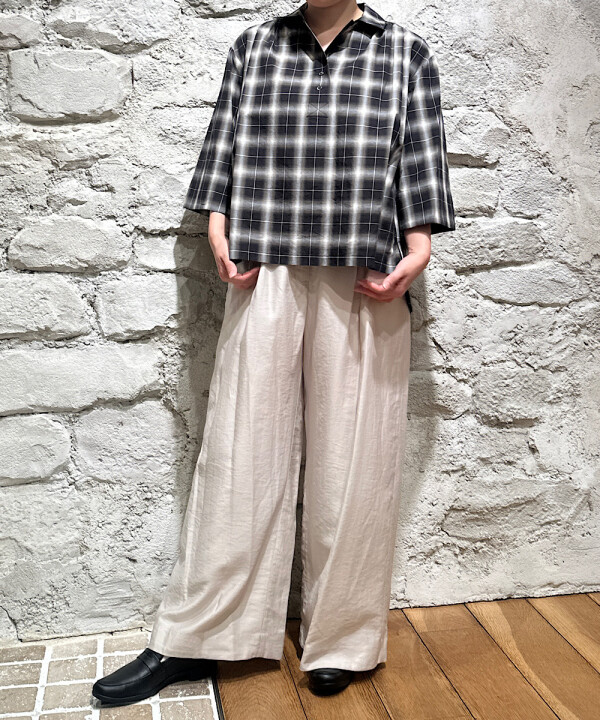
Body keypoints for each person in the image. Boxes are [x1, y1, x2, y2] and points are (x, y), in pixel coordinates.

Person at [92, 0, 455, 705]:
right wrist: (217, 223)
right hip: (267, 267)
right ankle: (202, 632)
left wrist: (419, 248)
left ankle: (343, 638)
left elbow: (419, 155)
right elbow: (225, 140)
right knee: (241, 453)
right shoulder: (255, 46)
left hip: (364, 272)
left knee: (357, 462)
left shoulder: (404, 52)